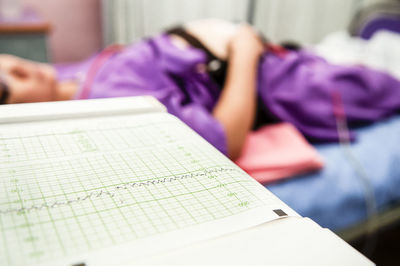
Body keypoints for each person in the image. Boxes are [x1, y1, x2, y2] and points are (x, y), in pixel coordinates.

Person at [1, 19, 400, 160]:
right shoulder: (111, 105)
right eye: (14, 85)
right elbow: (226, 139)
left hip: (264, 56)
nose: (31, 72)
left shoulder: (66, 75)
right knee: (379, 86)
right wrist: (244, 51)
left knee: (352, 56)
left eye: (14, 63)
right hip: (272, 81)